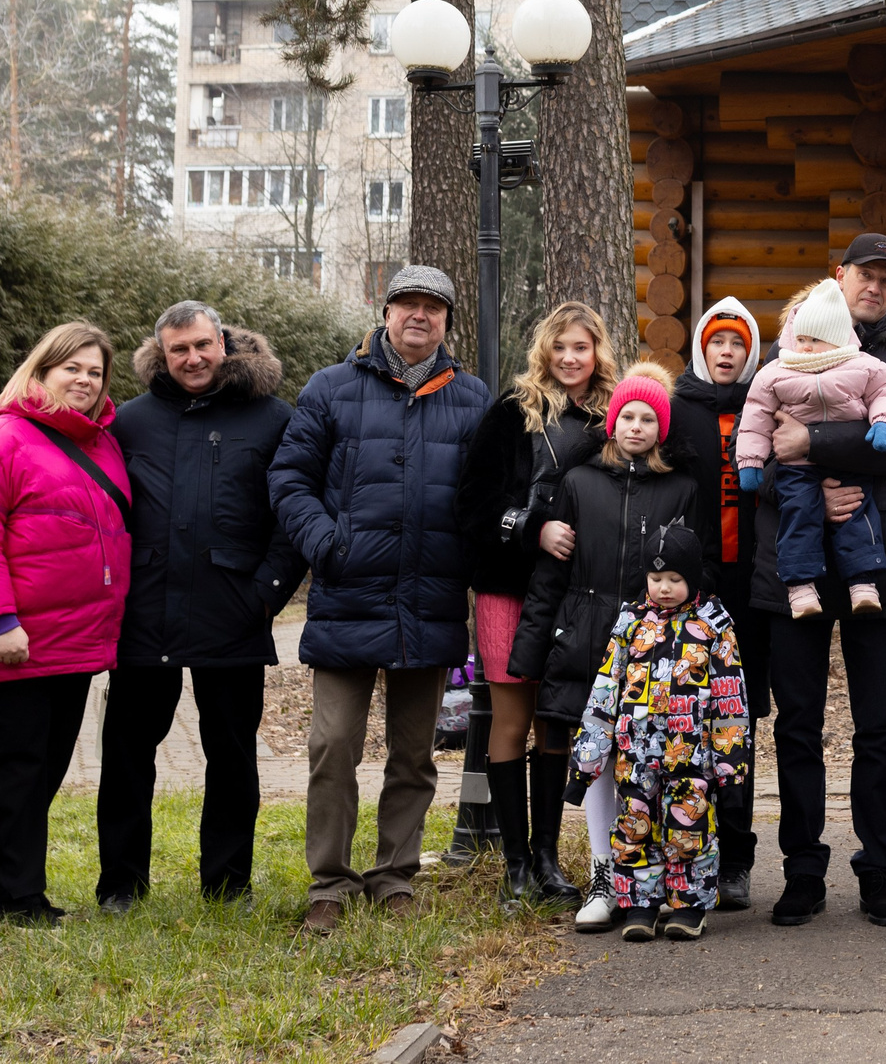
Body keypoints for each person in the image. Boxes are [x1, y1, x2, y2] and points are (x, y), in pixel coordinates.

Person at [269, 266, 487, 934]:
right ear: (385, 311)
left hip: (429, 599)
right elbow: (289, 477)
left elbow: (485, 496)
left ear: (446, 320)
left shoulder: (472, 398)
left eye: (433, 307)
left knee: (414, 753)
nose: (419, 315)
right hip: (347, 594)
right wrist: (325, 543)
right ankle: (330, 882)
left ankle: (395, 875)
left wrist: (464, 560)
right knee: (333, 744)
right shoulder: (330, 388)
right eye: (407, 303)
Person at [752, 232, 886, 930]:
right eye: (866, 274)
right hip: (793, 562)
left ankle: (878, 868)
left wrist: (815, 445)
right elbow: (762, 438)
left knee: (877, 725)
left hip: (875, 559)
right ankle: (802, 870)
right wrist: (811, 480)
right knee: (798, 723)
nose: (876, 287)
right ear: (840, 274)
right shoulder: (791, 344)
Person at [98, 304, 303, 911]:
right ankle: (121, 885)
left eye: (201, 346)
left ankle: (228, 883)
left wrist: (266, 592)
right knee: (126, 755)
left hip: (233, 610)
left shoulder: (273, 418)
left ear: (224, 344)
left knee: (232, 755)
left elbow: (292, 513)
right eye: (178, 350)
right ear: (161, 355)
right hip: (145, 612)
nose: (192, 359)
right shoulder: (129, 422)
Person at [510, 363, 703, 932]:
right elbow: (550, 576)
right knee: (597, 756)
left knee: (647, 762)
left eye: (648, 419)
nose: (636, 427)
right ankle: (604, 874)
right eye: (627, 416)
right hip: (587, 638)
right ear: (612, 422)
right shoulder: (578, 482)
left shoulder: (681, 490)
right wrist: (531, 651)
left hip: (655, 647)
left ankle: (650, 876)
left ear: (661, 430)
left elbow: (697, 573)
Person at [0, 321, 132, 925]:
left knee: (46, 766)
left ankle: (9, 880)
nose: (84, 380)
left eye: (95, 372)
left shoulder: (102, 445)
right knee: (13, 767)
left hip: (76, 639)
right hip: (17, 639)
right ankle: (14, 896)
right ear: (41, 371)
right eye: (71, 368)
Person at [458, 302, 618, 909]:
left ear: (597, 353)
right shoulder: (513, 411)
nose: (570, 358)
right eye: (561, 347)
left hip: (574, 594)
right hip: (507, 585)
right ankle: (516, 865)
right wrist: (531, 528)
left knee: (556, 720)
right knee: (510, 718)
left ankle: (548, 859)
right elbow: (473, 504)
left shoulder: (609, 419)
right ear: (544, 351)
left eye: (582, 347)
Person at [566, 521, 750, 943]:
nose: (664, 587)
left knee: (689, 829)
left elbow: (731, 701)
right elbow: (605, 693)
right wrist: (585, 764)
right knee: (634, 824)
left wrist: (731, 770)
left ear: (694, 578)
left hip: (692, 757)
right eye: (656, 578)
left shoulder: (713, 624)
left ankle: (688, 905)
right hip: (636, 756)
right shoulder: (630, 623)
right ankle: (640, 904)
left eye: (675, 579)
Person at [664, 298, 769, 911]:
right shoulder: (676, 411)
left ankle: (735, 859)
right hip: (692, 591)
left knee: (738, 726)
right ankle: (683, 855)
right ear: (702, 349)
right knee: (684, 721)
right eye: (717, 342)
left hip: (754, 592)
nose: (726, 353)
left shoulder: (765, 404)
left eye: (737, 344)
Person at [736, 279, 886, 618]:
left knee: (857, 514)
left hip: (848, 462)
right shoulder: (777, 371)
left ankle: (863, 584)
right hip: (797, 467)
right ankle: (800, 588)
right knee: (798, 513)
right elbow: (755, 417)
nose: (805, 348)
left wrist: (885, 423)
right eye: (801, 339)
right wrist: (751, 462)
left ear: (837, 338)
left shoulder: (861, 365)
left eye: (815, 340)